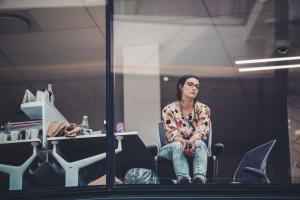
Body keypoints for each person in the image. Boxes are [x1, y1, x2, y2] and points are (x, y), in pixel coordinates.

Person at [158, 75, 211, 184]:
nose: (194, 88)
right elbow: (172, 134)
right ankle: (184, 180)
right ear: (181, 87)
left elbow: (201, 132)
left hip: (195, 146)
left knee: (200, 143)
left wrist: (191, 142)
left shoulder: (203, 109)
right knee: (178, 145)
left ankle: (199, 180)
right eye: (190, 84)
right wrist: (183, 142)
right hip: (171, 148)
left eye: (197, 86)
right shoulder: (168, 109)